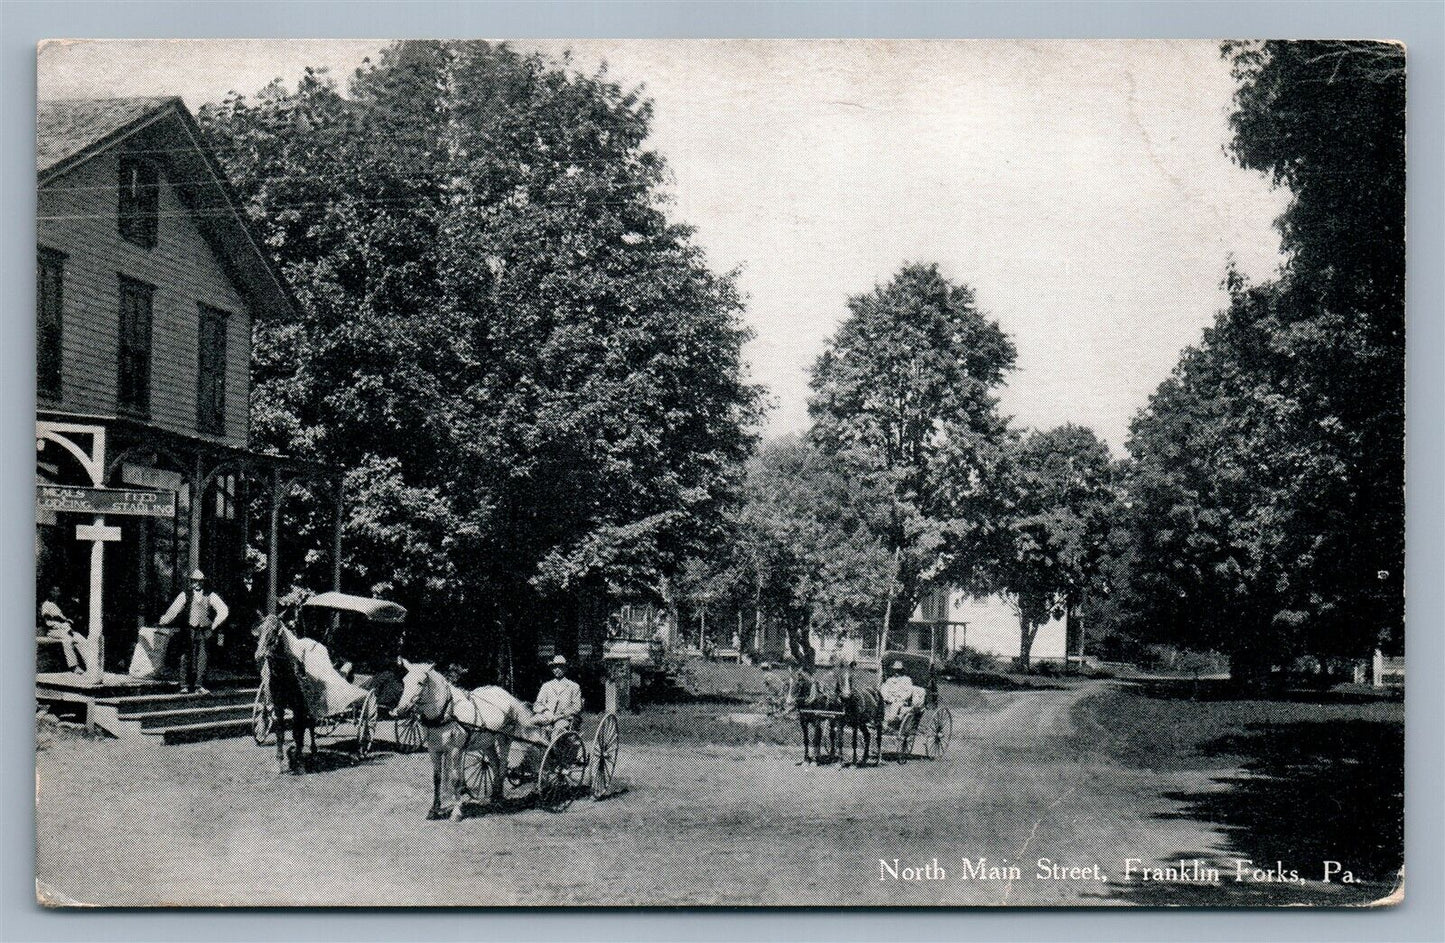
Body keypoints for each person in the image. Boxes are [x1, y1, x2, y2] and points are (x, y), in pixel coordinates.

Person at [158, 569, 228, 694]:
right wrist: (165, 620)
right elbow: (174, 610)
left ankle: (199, 685)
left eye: (200, 581)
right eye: (195, 581)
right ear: (191, 582)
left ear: (203, 582)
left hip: (204, 630)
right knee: (186, 655)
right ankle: (184, 685)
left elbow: (223, 610)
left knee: (203, 657)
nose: (197, 583)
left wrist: (214, 624)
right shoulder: (185, 594)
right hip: (189, 629)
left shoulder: (210, 595)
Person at [532, 654, 583, 739]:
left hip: (564, 719)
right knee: (529, 723)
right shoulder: (546, 686)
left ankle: (554, 747)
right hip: (547, 716)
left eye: (561, 667)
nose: (557, 669)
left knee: (557, 731)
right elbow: (537, 704)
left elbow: (577, 707)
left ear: (565, 669)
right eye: (555, 667)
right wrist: (545, 711)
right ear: (552, 669)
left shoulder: (573, 686)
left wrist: (561, 715)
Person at [39, 585, 86, 674]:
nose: (57, 593)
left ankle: (90, 664)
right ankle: (74, 666)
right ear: (50, 592)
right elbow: (48, 621)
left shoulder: (58, 604)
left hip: (65, 629)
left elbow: (65, 618)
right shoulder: (46, 605)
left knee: (80, 638)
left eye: (58, 591)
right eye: (54, 591)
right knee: (67, 639)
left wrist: (68, 621)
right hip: (53, 631)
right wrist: (64, 624)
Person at [880, 659, 916, 729]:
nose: (897, 672)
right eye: (895, 670)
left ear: (902, 670)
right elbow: (884, 690)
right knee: (881, 705)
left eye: (899, 670)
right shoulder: (890, 680)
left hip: (900, 700)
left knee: (894, 706)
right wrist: (886, 698)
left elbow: (908, 692)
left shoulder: (907, 680)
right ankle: (881, 722)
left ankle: (888, 722)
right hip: (889, 699)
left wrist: (898, 698)